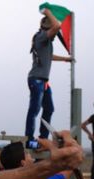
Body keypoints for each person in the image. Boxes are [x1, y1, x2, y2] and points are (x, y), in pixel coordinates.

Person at [25, 7, 73, 149]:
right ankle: (29, 140)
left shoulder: (46, 42)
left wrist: (65, 59)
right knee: (34, 110)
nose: (55, 32)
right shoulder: (41, 37)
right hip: (36, 79)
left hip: (43, 81)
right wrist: (47, 12)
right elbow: (57, 26)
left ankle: (43, 138)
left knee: (49, 108)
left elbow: (49, 57)